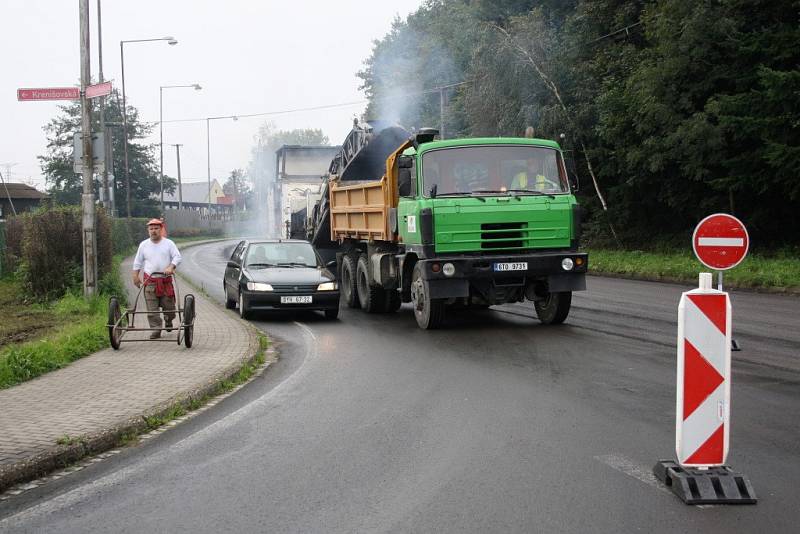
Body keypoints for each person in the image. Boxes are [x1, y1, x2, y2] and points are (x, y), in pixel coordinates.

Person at [132, 219, 182, 339]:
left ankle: (168, 320)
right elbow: (137, 262)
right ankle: (156, 330)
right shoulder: (143, 245)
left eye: (156, 228)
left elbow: (177, 256)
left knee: (169, 309)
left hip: (165, 281)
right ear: (148, 230)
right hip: (150, 281)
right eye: (151, 229)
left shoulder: (169, 243)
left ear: (161, 229)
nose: (153, 231)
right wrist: (135, 276)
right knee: (152, 310)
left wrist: (171, 266)